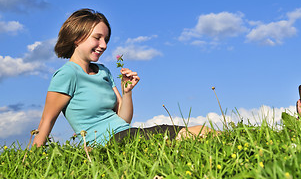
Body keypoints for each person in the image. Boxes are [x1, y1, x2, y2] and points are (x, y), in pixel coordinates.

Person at [33, 8, 213, 147]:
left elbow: (123, 120)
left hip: (125, 134)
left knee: (204, 131)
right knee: (198, 134)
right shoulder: (67, 74)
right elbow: (47, 120)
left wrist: (127, 93)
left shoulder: (103, 71)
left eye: (106, 40)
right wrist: (31, 161)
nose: (103, 45)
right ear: (77, 37)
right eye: (97, 38)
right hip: (105, 143)